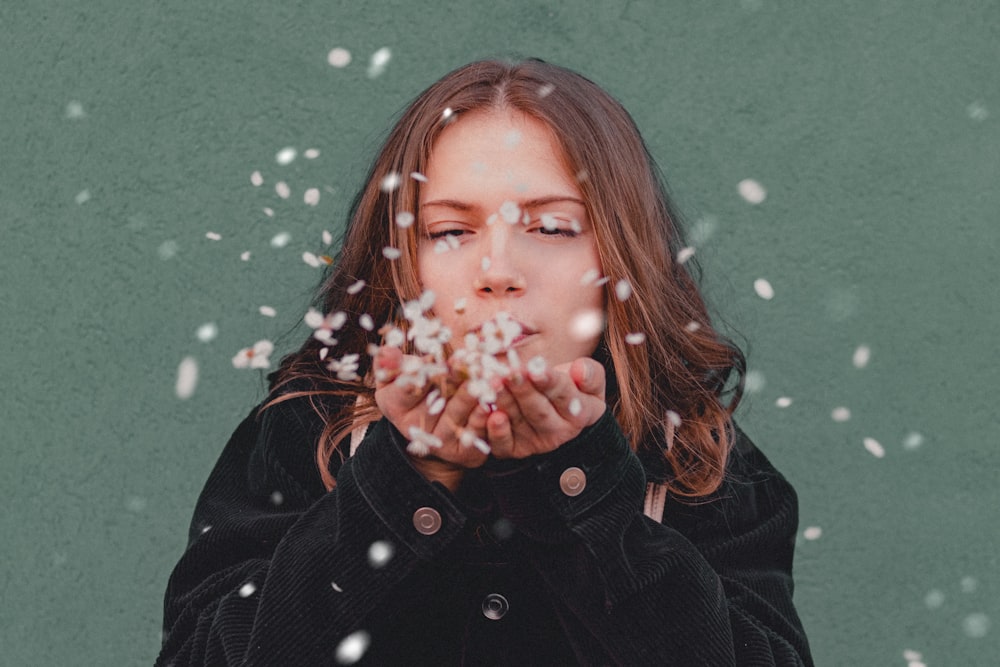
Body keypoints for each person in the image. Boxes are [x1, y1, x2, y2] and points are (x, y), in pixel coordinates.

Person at [156, 58, 813, 666]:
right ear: (401, 265)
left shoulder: (698, 462)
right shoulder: (307, 434)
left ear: (617, 262)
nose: (497, 271)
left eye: (552, 228)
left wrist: (580, 480)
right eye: (449, 232)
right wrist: (401, 480)